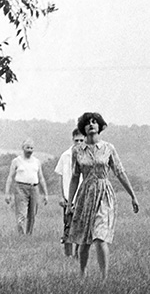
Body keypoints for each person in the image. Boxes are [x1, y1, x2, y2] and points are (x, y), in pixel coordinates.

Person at [66, 113, 139, 281]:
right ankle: (82, 275)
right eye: (88, 123)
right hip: (85, 195)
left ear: (99, 127)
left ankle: (104, 279)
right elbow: (75, 177)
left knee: (100, 237)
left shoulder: (108, 148)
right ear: (83, 128)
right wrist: (70, 202)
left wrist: (133, 196)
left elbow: (119, 172)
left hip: (104, 193)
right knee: (84, 239)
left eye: (95, 122)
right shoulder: (77, 150)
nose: (91, 125)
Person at [4, 138, 49, 234]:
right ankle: (21, 234)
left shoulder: (37, 162)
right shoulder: (16, 161)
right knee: (22, 214)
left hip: (34, 188)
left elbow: (41, 178)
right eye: (27, 147)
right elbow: (10, 177)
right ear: (23, 148)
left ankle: (28, 235)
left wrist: (45, 194)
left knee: (32, 214)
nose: (29, 150)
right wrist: (7, 193)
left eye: (31, 148)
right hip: (20, 188)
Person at [54, 128, 85, 256]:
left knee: (81, 227)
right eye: (76, 140)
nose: (79, 143)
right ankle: (68, 255)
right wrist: (62, 196)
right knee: (68, 226)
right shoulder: (65, 156)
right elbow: (60, 176)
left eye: (81, 140)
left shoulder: (88, 156)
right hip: (68, 197)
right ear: (72, 139)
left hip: (82, 196)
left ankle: (78, 254)